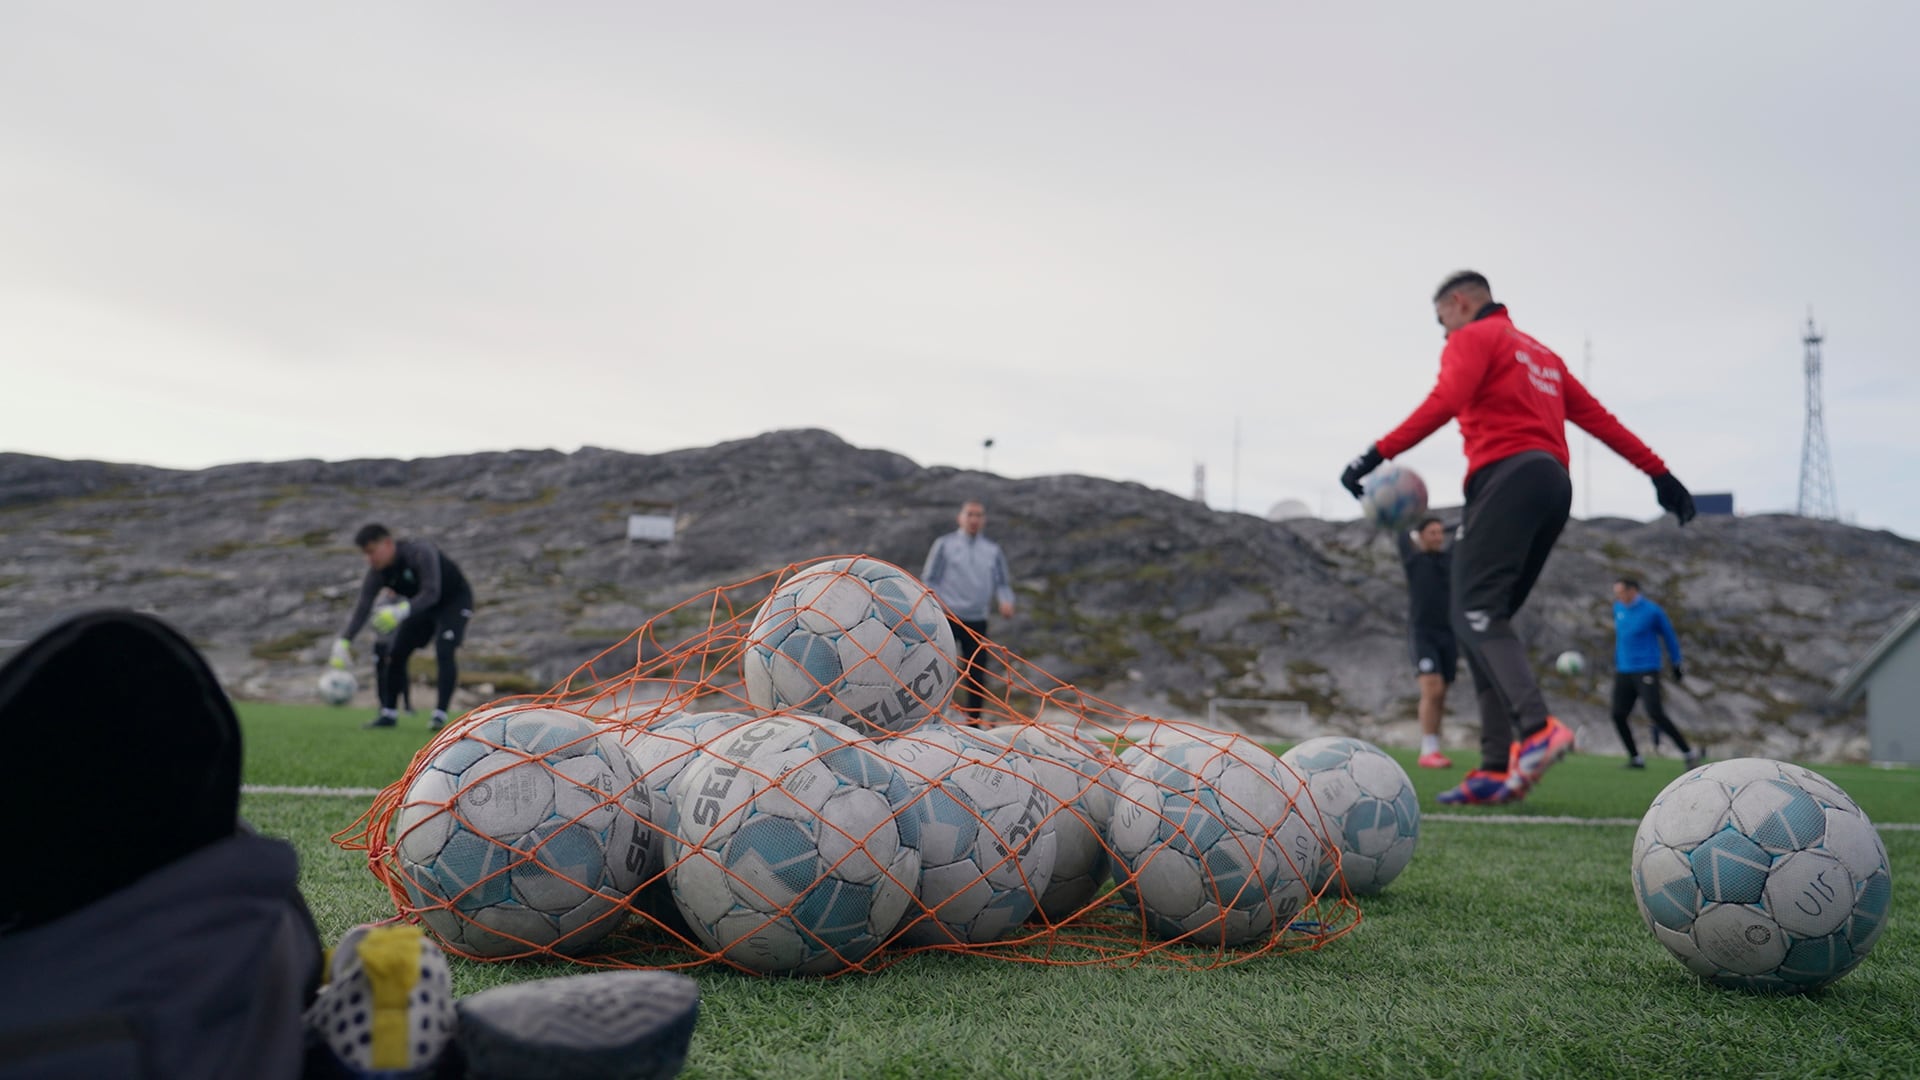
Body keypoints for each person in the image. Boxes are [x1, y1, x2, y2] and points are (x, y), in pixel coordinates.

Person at [1340, 270, 1696, 805]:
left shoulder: (1473, 338)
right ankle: (1490, 767)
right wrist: (1659, 474)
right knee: (1482, 621)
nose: (1443, 335)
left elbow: (1446, 398)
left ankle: (1537, 729)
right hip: (1553, 485)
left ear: (1459, 304)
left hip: (1504, 480)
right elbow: (1600, 419)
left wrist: (1371, 456)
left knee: (1474, 611)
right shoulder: (1542, 356)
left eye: (1441, 322)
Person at [330, 524, 475, 730]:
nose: (369, 559)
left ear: (388, 544)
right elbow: (362, 608)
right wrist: (343, 641)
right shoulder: (377, 573)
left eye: (372, 551)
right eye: (365, 554)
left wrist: (399, 611)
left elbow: (432, 592)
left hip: (453, 601)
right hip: (420, 606)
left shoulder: (419, 552)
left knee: (445, 648)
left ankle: (439, 715)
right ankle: (388, 713)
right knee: (396, 652)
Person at [922, 500, 1016, 725]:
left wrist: (1006, 601)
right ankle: (932, 717)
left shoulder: (992, 551)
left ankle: (973, 723)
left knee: (976, 673)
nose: (974, 519)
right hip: (948, 617)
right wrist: (936, 605)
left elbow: (1003, 583)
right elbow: (929, 579)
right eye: (970, 514)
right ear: (960, 517)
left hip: (977, 619)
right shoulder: (944, 544)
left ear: (984, 520)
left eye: (979, 515)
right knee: (939, 668)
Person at [1611, 577, 1702, 768]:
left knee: (1655, 713)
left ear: (1632, 590)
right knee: (1618, 714)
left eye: (1620, 592)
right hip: (1624, 670)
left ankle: (1688, 753)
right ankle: (1635, 758)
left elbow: (1669, 637)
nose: (1617, 596)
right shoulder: (1618, 608)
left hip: (1646, 669)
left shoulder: (1652, 611)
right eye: (1616, 593)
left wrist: (1676, 664)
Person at [1396, 516, 1456, 768]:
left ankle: (1435, 746)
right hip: (1423, 633)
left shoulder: (1450, 559)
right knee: (1432, 689)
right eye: (1432, 532)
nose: (1438, 537)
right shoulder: (1413, 560)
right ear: (1420, 536)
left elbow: (1465, 533)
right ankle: (1427, 750)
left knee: (1441, 693)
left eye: (1441, 533)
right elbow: (1400, 529)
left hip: (1450, 634)